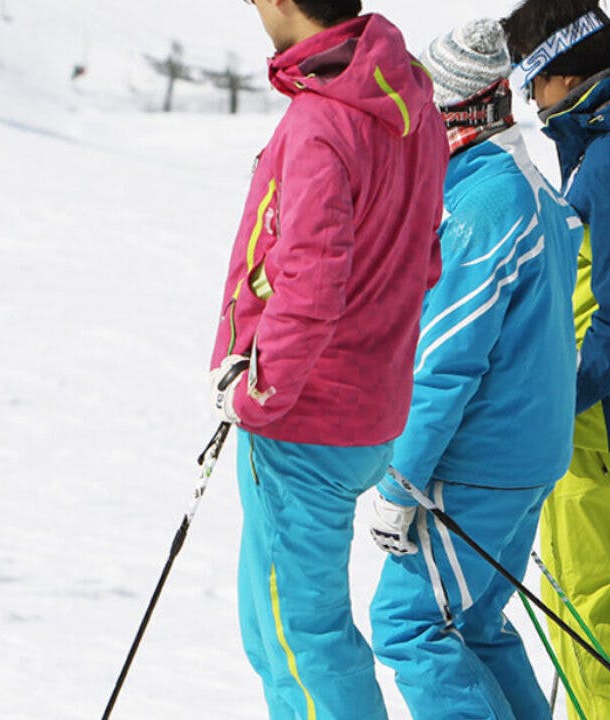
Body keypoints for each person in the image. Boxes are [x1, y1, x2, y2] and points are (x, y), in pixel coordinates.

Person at [207, 1, 447, 717]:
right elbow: (422, 258)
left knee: (303, 642)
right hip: (365, 407)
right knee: (272, 630)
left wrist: (258, 388)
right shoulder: (408, 103)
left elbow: (310, 277)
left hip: (305, 418)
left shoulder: (323, 120)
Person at [364, 19, 582, 720]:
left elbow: (447, 360)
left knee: (411, 625)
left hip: (480, 463)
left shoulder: (482, 205)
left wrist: (401, 477)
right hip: (529, 452)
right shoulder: (521, 185)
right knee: (476, 628)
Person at [503, 1, 610, 715]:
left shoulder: (602, 161)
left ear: (561, 72)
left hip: (590, 427)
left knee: (585, 599)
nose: (529, 103)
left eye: (529, 83)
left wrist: (549, 399)